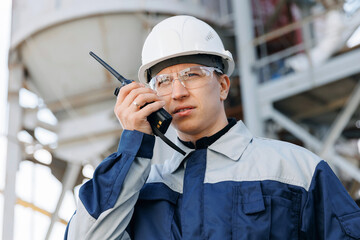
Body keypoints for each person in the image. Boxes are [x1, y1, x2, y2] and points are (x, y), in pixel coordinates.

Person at [65, 15, 360, 240]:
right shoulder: (137, 188)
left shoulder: (298, 169)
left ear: (222, 85)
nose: (177, 92)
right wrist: (133, 147)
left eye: (191, 75)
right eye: (163, 82)